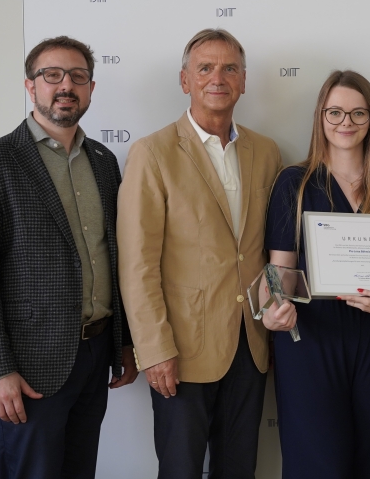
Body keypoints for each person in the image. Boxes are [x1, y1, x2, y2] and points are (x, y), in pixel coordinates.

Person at [0, 36, 137, 478]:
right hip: (28, 366)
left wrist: (125, 343)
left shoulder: (104, 162)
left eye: (78, 77)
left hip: (96, 352)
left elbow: (114, 257)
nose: (66, 86)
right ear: (30, 85)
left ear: (91, 89)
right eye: (52, 75)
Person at [116, 28, 282, 479]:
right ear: (185, 80)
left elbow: (269, 250)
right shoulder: (152, 153)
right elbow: (137, 265)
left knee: (239, 469)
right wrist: (154, 350)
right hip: (181, 349)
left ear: (244, 81)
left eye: (230, 68)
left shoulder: (267, 152)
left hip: (250, 345)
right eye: (204, 68)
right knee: (180, 470)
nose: (217, 78)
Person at [262, 70, 370, 479]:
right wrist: (274, 308)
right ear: (321, 117)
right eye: (335, 112)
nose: (345, 122)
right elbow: (280, 268)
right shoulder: (294, 182)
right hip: (311, 338)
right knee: (317, 463)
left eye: (357, 113)